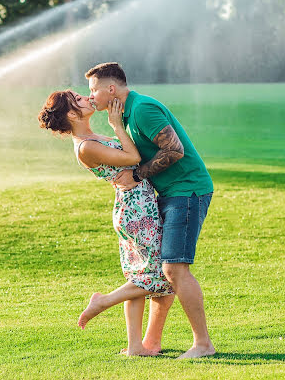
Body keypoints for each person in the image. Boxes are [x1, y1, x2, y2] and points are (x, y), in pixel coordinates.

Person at [85, 62, 215, 359]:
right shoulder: (124, 115)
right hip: (169, 192)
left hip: (187, 189)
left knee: (174, 269)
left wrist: (139, 175)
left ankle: (203, 345)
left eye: (94, 90)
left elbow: (175, 150)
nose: (91, 97)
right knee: (162, 270)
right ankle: (151, 343)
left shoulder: (142, 109)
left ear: (111, 89)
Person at [38, 90, 175, 356]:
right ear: (70, 114)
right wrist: (116, 126)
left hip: (137, 204)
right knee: (158, 275)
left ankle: (136, 346)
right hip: (136, 208)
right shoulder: (86, 146)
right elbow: (133, 159)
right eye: (78, 99)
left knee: (138, 277)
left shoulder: (92, 138)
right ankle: (103, 301)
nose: (86, 98)